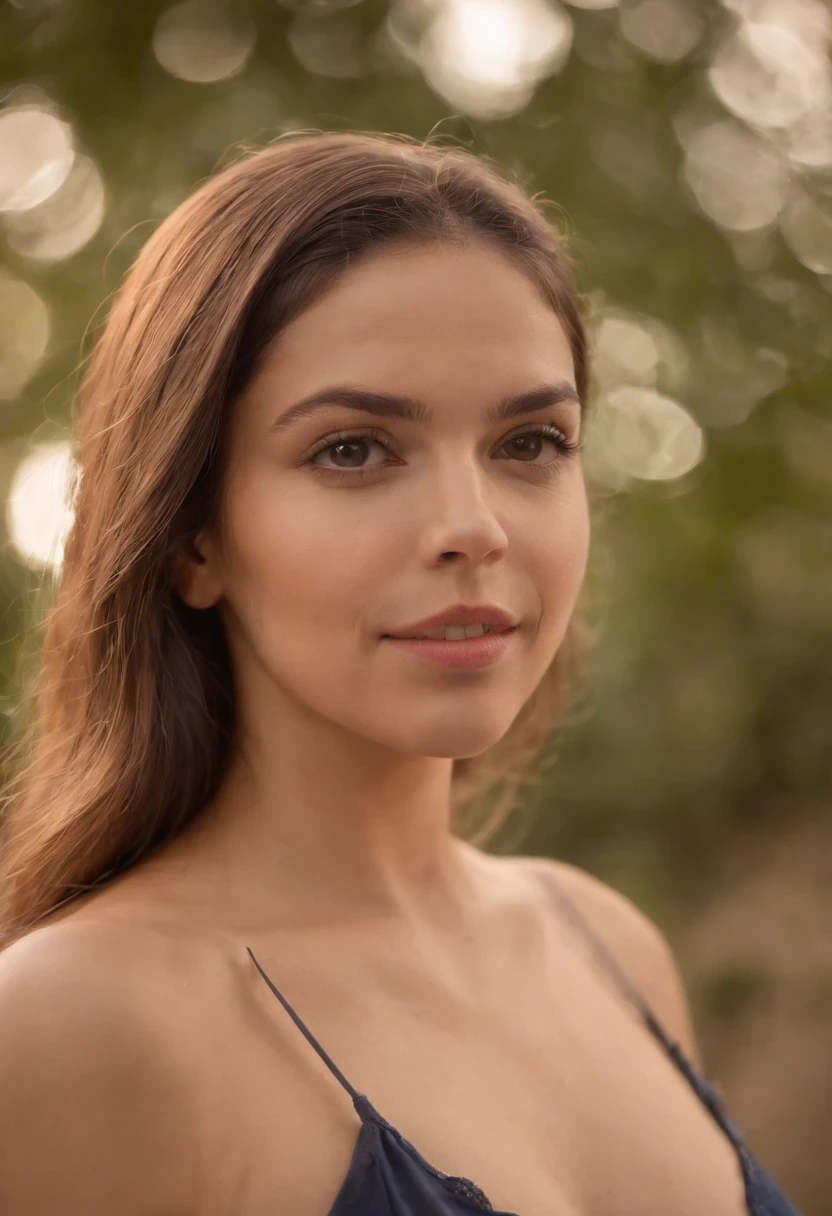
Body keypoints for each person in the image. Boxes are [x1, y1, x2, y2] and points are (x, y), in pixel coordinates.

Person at [0, 130, 802, 1216]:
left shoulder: (604, 942)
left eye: (530, 442)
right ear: (192, 536)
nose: (472, 527)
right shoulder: (71, 1028)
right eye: (353, 450)